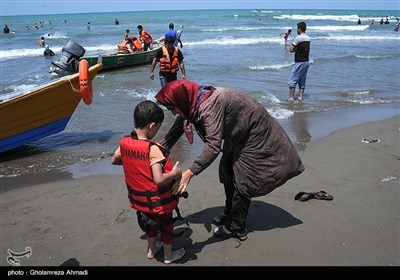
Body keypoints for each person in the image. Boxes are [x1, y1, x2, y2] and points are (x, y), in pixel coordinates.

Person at [154, 80, 305, 239]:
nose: (173, 113)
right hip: (236, 132)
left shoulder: (207, 108)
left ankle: (237, 226)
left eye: (173, 108)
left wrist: (190, 172)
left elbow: (213, 146)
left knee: (242, 179)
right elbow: (178, 126)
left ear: (181, 101)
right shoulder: (191, 104)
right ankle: (229, 212)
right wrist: (159, 148)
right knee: (227, 170)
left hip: (254, 132)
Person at [111, 100, 186, 264]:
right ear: (152, 126)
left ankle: (151, 251)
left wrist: (135, 164)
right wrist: (175, 172)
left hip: (140, 201)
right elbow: (159, 180)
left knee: (149, 224)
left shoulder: (125, 143)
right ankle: (168, 256)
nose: (157, 131)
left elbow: (115, 161)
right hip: (158, 201)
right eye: (158, 128)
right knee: (166, 226)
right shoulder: (153, 149)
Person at [288, 22, 310, 102]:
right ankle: (300, 97)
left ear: (300, 29)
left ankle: (291, 98)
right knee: (302, 80)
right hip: (306, 61)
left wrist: (295, 48)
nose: (296, 30)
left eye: (297, 28)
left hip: (299, 62)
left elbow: (291, 49)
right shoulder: (308, 38)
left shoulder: (298, 38)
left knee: (292, 80)